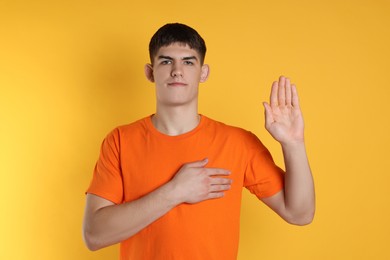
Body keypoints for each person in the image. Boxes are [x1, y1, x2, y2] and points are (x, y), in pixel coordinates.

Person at [82, 23, 315, 259]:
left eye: (188, 61)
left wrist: (293, 144)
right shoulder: (120, 141)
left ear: (203, 73)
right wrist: (174, 192)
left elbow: (300, 214)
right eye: (165, 61)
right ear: (150, 72)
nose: (177, 70)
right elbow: (94, 235)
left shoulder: (238, 143)